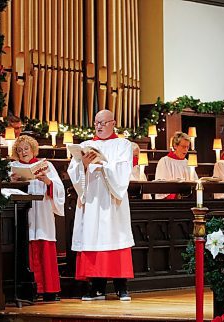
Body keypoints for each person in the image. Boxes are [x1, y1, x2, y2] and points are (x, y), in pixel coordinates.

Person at [67, 110, 134, 301]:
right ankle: (96, 287)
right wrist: (85, 166)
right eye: (96, 122)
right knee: (92, 239)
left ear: (113, 123)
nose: (99, 126)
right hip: (92, 200)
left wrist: (103, 163)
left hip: (112, 201)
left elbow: (123, 170)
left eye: (103, 123)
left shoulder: (123, 144)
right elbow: (74, 171)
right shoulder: (86, 145)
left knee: (115, 237)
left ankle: (122, 287)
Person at [10, 135, 65, 301]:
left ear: (33, 149)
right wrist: (13, 182)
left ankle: (49, 290)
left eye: (26, 149)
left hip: (42, 212)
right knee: (26, 247)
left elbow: (59, 189)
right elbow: (7, 191)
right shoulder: (13, 167)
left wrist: (48, 181)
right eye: (19, 150)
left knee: (44, 245)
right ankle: (29, 290)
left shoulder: (46, 165)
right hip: (23, 212)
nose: (23, 152)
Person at [154, 131, 198, 199]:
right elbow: (161, 186)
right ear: (175, 146)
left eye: (187, 147)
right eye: (183, 146)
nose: (186, 150)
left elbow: (195, 182)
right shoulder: (164, 161)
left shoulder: (188, 163)